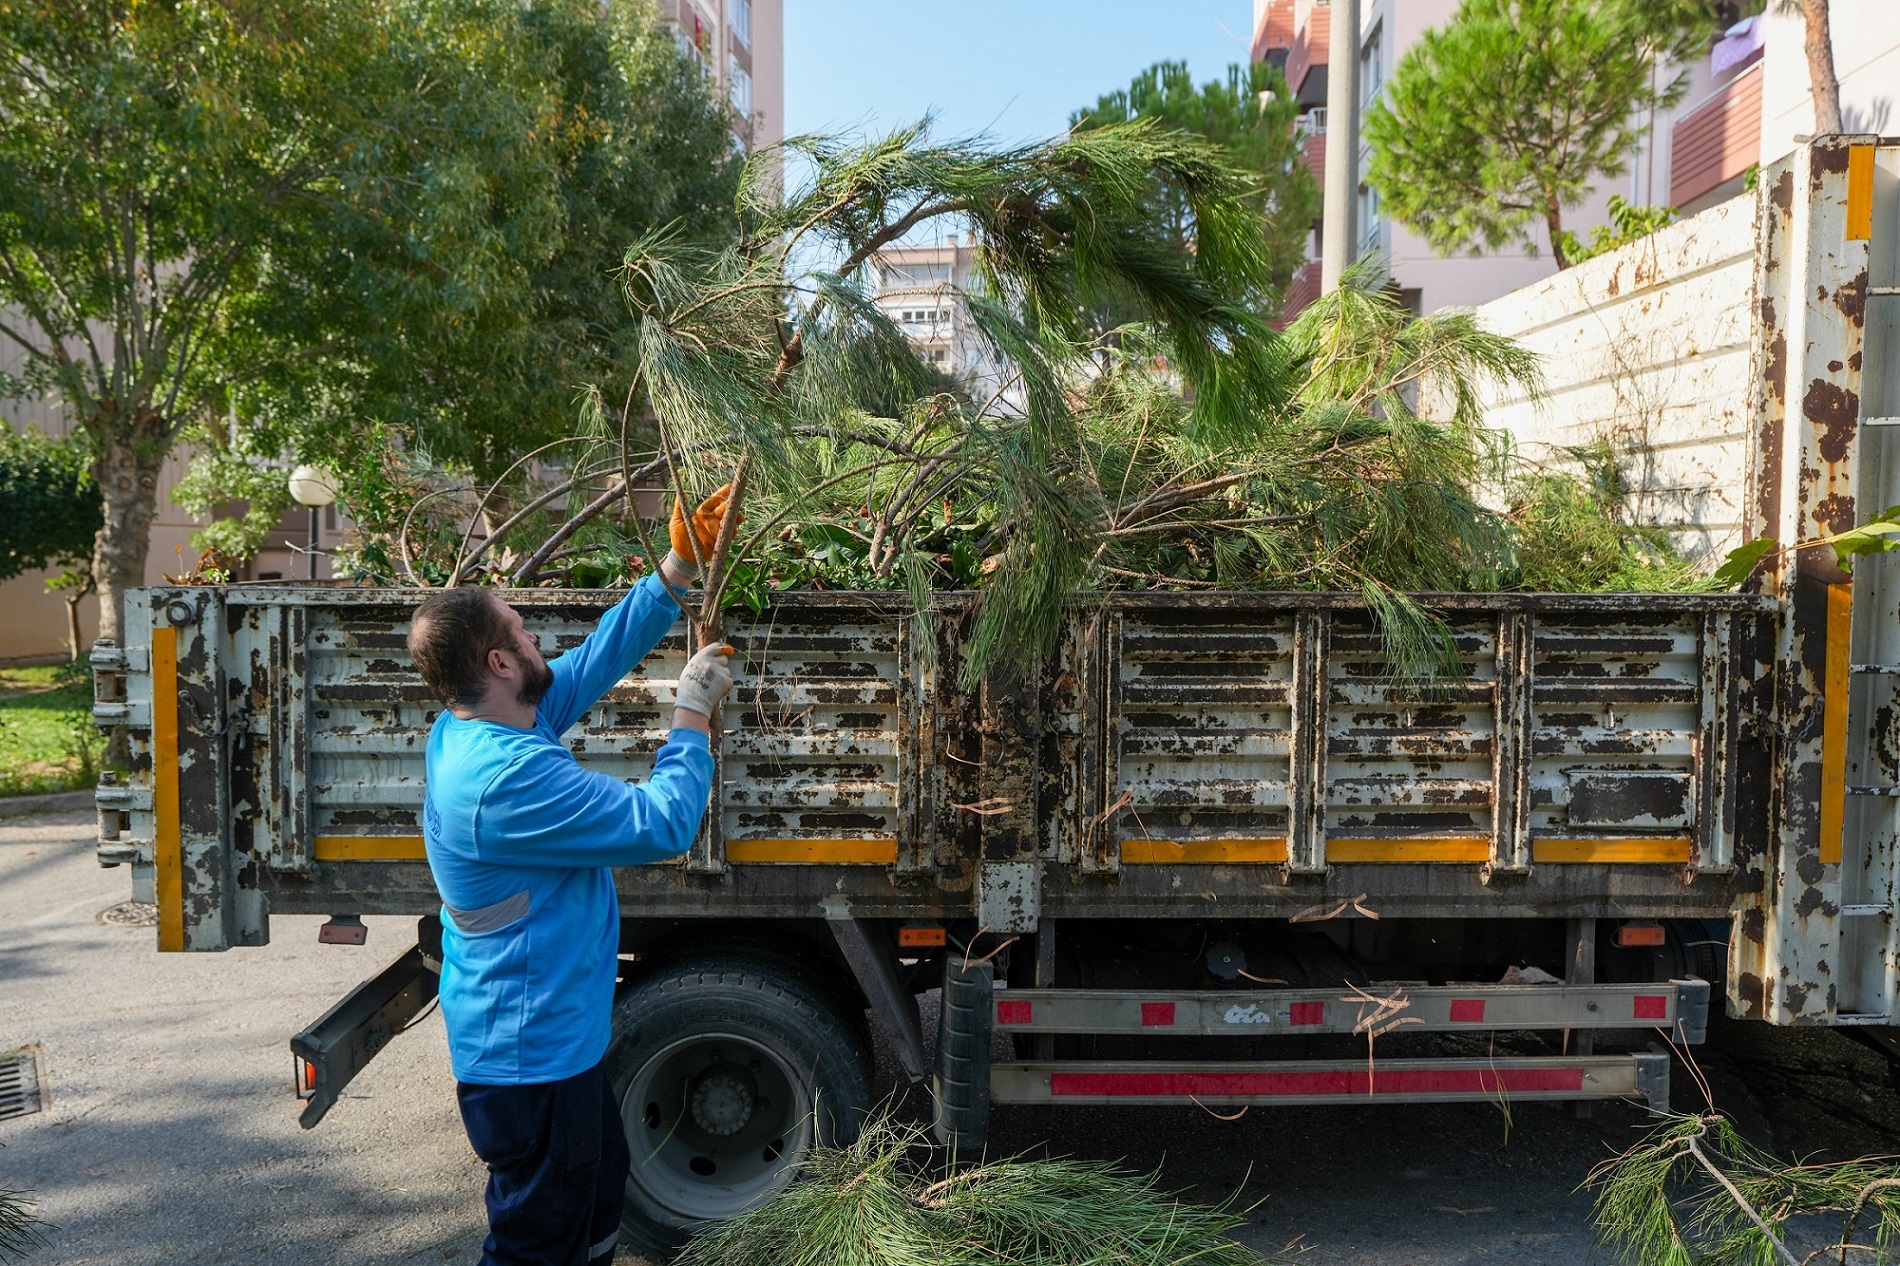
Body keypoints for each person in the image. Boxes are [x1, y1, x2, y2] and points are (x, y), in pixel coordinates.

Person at [406, 486, 739, 1266]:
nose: (538, 642)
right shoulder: (505, 779)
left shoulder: (477, 722)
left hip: (556, 1038)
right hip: (529, 1055)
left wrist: (677, 570)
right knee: (536, 1239)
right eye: (524, 633)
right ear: (498, 661)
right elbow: (660, 824)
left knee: (594, 1200)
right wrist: (691, 713)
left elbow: (587, 664)